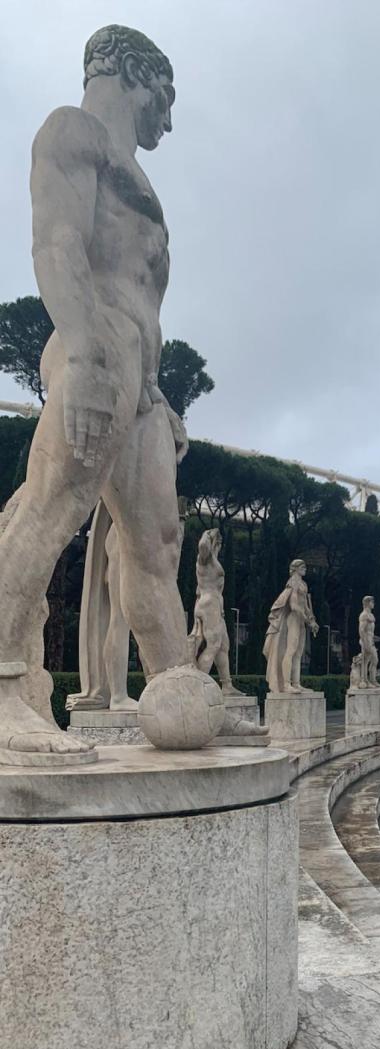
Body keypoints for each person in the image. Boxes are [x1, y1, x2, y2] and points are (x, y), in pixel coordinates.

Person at [0, 25, 194, 761]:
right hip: (94, 344)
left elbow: (149, 294)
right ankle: (2, 691)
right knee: (56, 505)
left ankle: (179, 688)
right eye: (165, 99)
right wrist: (81, 354)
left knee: (156, 544)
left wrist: (156, 390)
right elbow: (56, 244)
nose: (167, 122)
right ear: (134, 75)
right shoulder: (73, 131)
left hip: (139, 378)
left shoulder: (137, 177)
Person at [188, 529, 239, 695]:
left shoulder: (213, 559)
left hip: (215, 606)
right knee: (213, 645)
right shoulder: (205, 559)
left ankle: (227, 685)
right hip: (209, 604)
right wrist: (209, 534)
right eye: (219, 541)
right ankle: (197, 686)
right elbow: (203, 546)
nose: (221, 544)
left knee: (223, 646)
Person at [263, 559, 319, 692]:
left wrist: (311, 620)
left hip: (301, 621)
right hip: (293, 619)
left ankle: (296, 683)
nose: (305, 568)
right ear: (295, 568)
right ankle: (286, 684)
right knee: (290, 651)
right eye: (302, 566)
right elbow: (294, 605)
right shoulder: (293, 582)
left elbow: (304, 605)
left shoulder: (303, 584)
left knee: (299, 653)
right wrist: (307, 620)